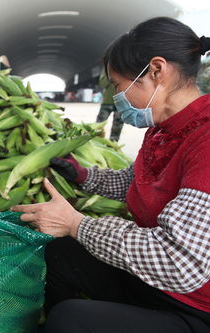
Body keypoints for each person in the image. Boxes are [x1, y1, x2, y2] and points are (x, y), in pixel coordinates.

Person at [12, 17, 210, 332]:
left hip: (194, 306)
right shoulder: (162, 130)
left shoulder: (205, 141)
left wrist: (76, 223)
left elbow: (178, 260)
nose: (118, 99)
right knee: (61, 253)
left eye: (119, 86)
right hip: (154, 285)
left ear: (157, 71)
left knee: (70, 319)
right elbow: (138, 183)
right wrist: (81, 175)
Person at [95, 67, 124, 141]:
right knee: (99, 124)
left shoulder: (126, 66)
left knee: (117, 126)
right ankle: (96, 141)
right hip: (107, 101)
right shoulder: (107, 68)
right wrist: (113, 75)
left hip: (121, 101)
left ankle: (113, 145)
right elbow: (102, 83)